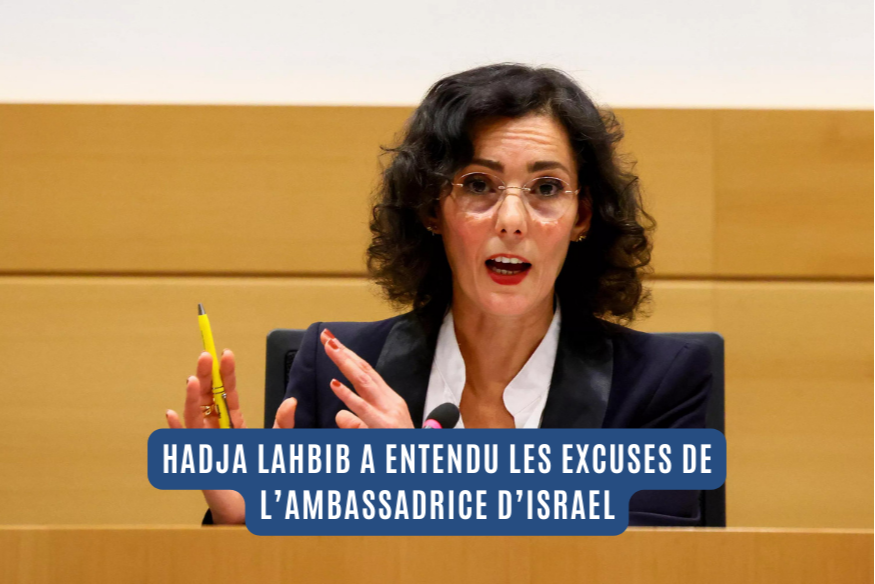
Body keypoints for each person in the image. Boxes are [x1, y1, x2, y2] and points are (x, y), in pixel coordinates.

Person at [166, 64, 712, 526]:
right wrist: (245, 520)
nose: (513, 219)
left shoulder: (659, 386)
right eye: (478, 185)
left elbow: (647, 569)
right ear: (432, 208)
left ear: (582, 216)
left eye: (546, 188)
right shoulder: (335, 376)